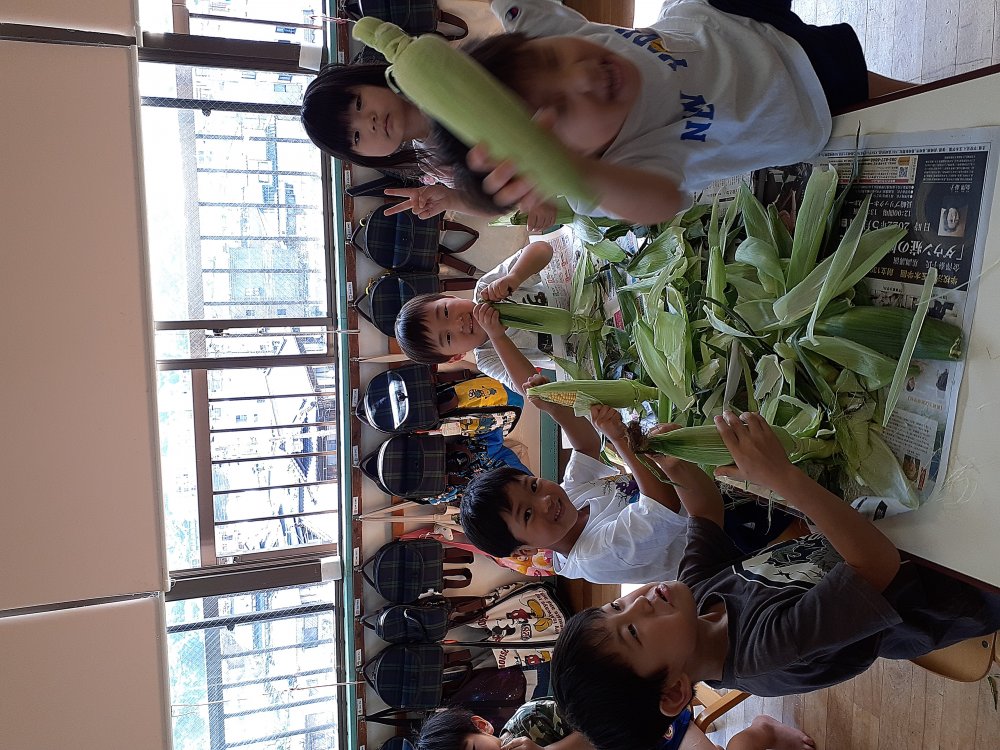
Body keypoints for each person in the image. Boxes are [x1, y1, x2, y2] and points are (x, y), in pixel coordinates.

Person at [548, 411, 1000, 750]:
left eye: (616, 606)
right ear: (675, 691)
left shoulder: (696, 604)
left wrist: (677, 468)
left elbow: (704, 513)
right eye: (632, 632)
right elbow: (876, 566)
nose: (638, 603)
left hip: (907, 539)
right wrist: (781, 477)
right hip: (952, 586)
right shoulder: (767, 651)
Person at [427, 0, 911, 224]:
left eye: (552, 58)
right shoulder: (607, 175)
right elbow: (661, 202)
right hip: (791, 91)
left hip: (725, 17)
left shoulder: (540, 34)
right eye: (560, 108)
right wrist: (574, 171)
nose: (583, 75)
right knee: (907, 100)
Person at [459, 378, 789, 584]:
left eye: (533, 486)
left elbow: (585, 446)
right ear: (526, 549)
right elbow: (662, 504)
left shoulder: (571, 499)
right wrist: (620, 438)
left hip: (705, 491)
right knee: (791, 505)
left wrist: (556, 410)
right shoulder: (594, 557)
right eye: (527, 514)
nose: (544, 500)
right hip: (730, 535)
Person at [300, 62, 556, 230]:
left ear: (369, 81)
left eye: (358, 104)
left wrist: (532, 186)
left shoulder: (440, 78)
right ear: (365, 157)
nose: (371, 122)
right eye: (356, 137)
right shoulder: (432, 164)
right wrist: (452, 199)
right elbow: (493, 200)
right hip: (560, 174)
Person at [395, 240, 561, 393]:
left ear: (450, 297)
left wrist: (515, 277)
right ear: (457, 356)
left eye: (445, 312)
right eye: (448, 337)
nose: (457, 324)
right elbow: (531, 390)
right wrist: (498, 337)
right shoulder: (488, 359)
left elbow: (543, 249)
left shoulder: (487, 289)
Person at [415, 699, 813, 750]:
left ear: (483, 726)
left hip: (643, 729)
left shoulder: (530, 721)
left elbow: (602, 726)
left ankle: (763, 729)